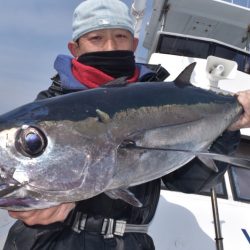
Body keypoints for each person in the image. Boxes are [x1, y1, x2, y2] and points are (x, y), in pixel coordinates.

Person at [3, 0, 248, 249]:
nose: (110, 47)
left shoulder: (165, 94)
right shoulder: (49, 105)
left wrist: (229, 128)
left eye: (120, 36)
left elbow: (189, 182)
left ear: (133, 44)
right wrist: (36, 220)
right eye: (96, 38)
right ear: (74, 48)